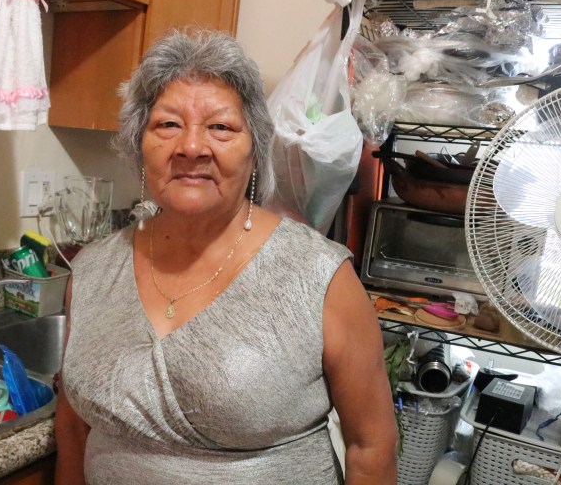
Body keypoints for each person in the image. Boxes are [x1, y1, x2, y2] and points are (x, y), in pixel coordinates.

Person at [54, 28, 398, 484]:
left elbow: (371, 445)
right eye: (168, 124)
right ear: (140, 145)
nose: (192, 147)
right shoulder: (93, 271)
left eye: (220, 127)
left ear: (254, 152)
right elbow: (74, 427)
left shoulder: (319, 277)